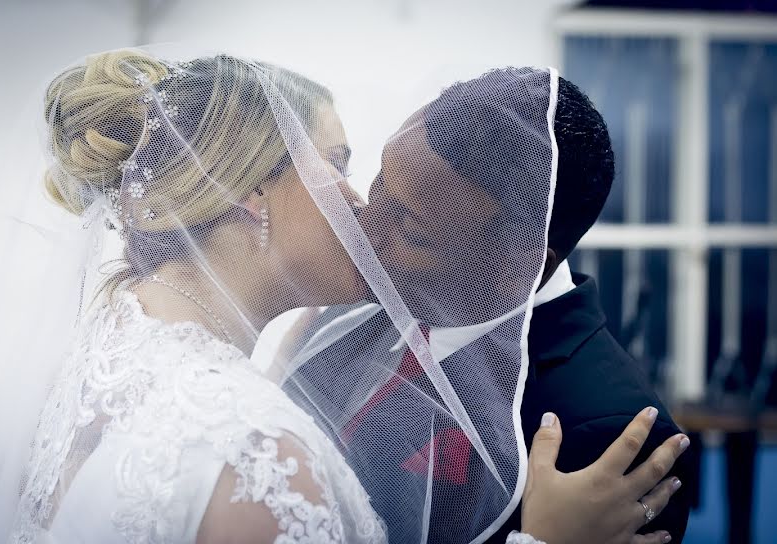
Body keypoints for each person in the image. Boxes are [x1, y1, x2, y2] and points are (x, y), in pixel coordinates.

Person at [0, 50, 685, 544]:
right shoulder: (278, 387)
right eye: (349, 170)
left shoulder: (607, 435)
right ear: (252, 194)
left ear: (523, 253)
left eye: (410, 224)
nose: (363, 217)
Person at [283, 69, 692, 543]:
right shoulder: (345, 317)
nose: (365, 234)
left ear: (521, 263)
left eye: (410, 232)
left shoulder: (612, 434)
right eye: (378, 197)